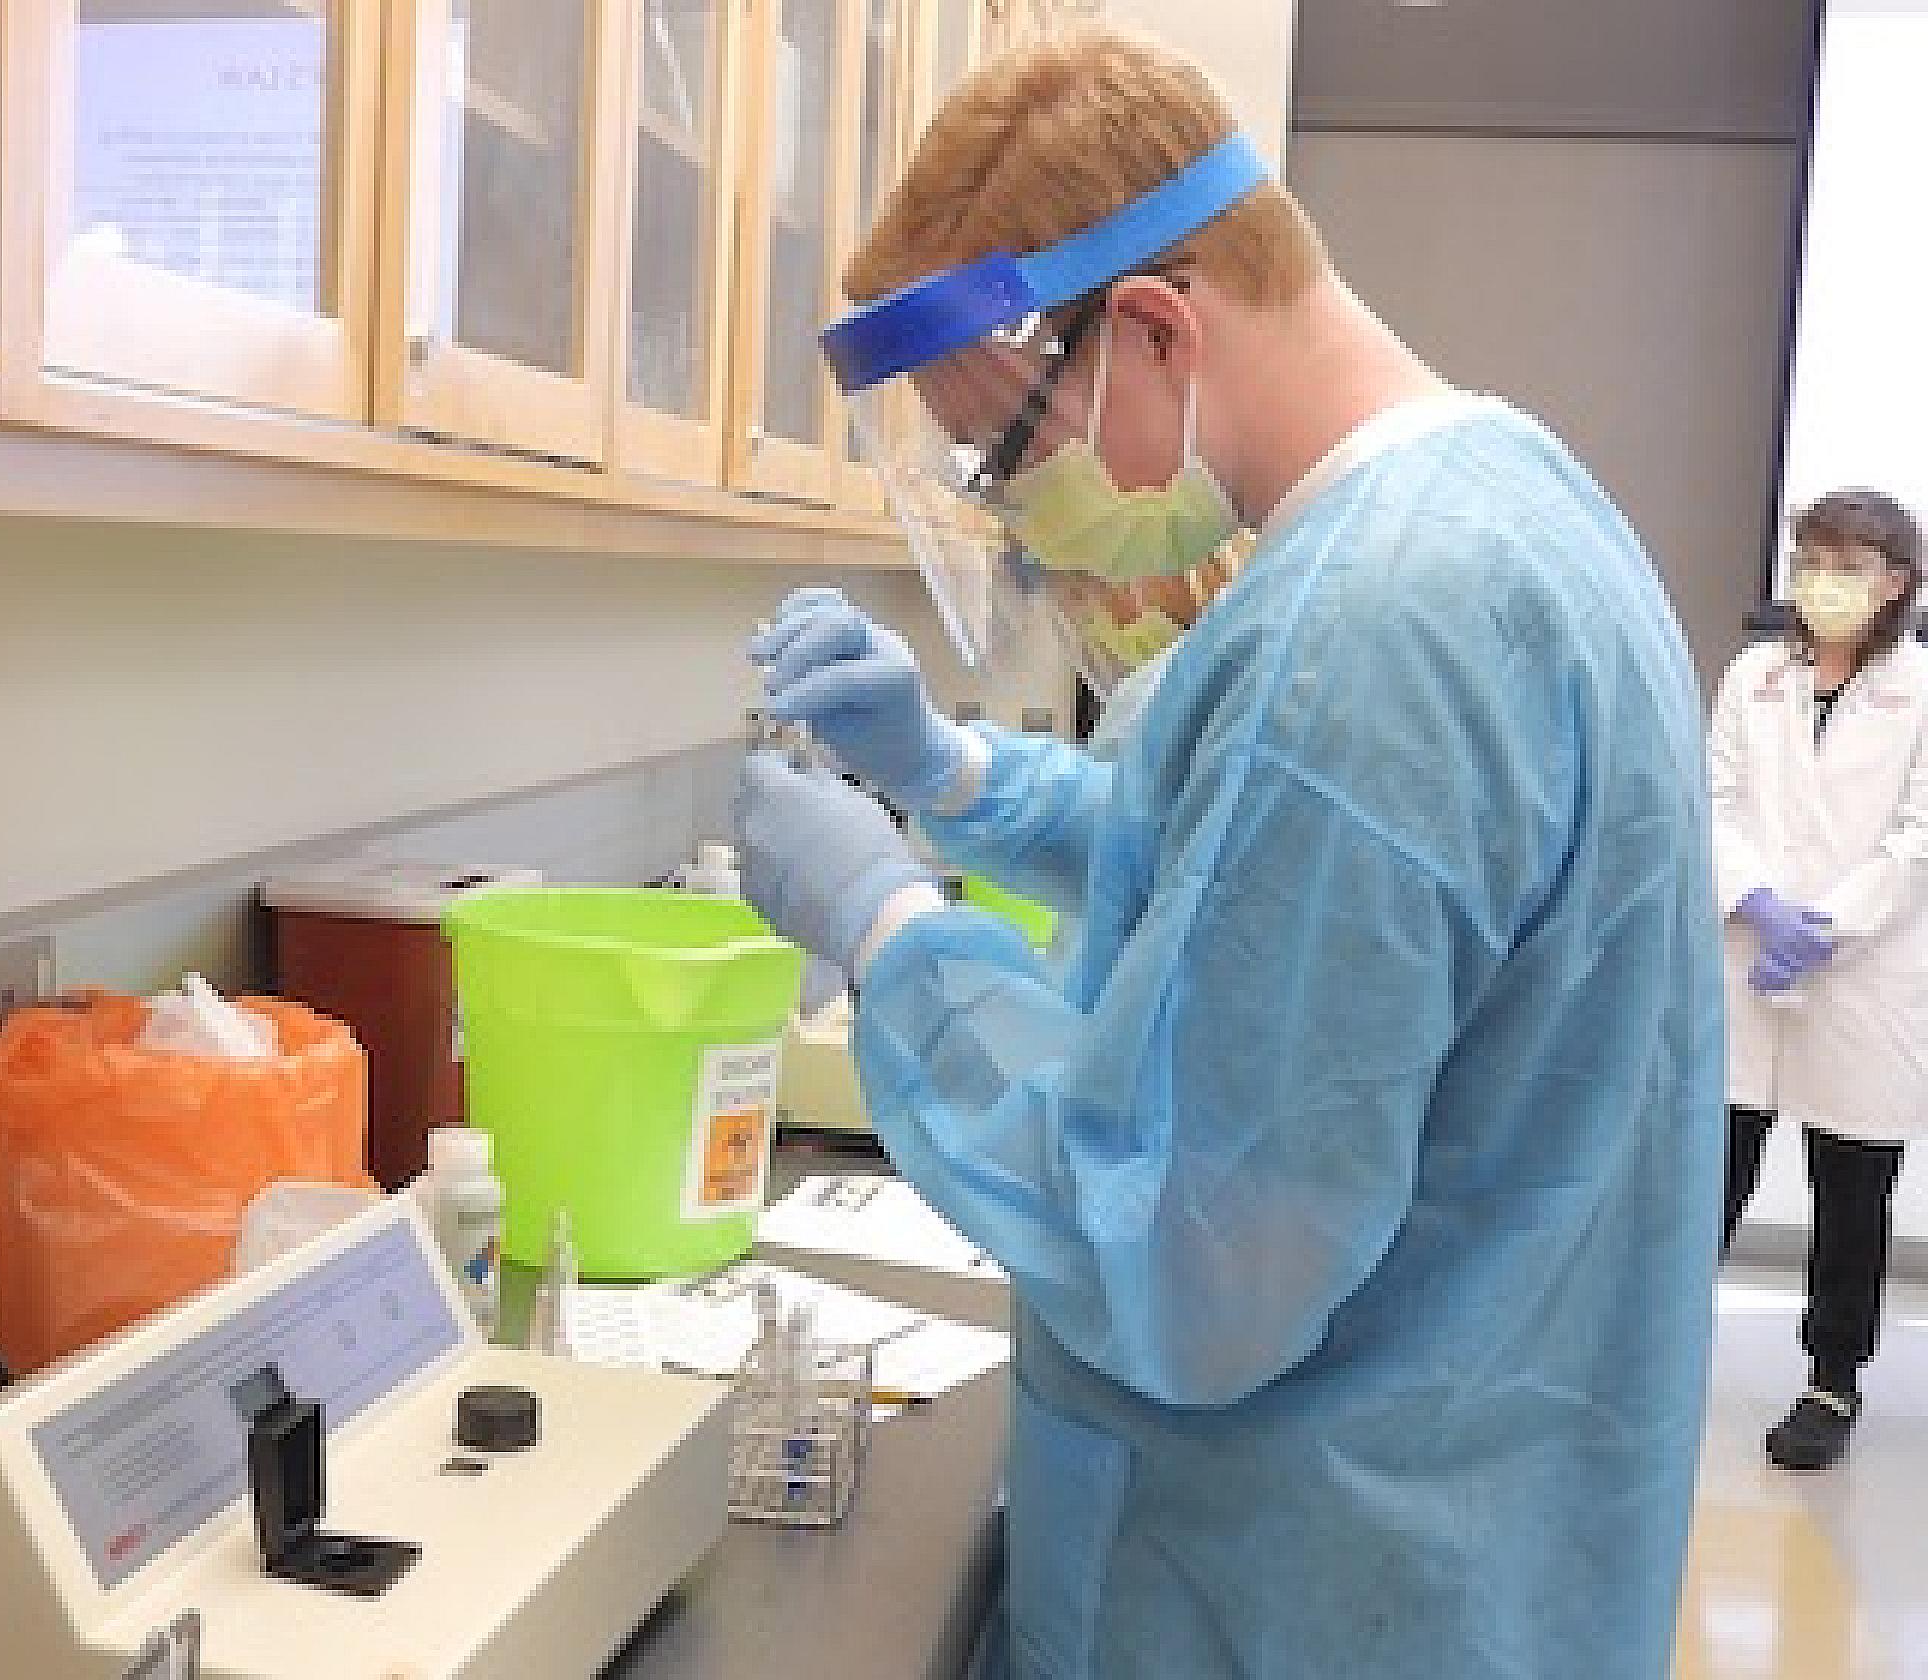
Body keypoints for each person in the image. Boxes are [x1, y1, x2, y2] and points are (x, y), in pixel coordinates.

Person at [731, 29, 1724, 1680]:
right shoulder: (1498, 518)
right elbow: (1245, 875)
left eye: (1003, 453)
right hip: (1473, 1541)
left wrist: (887, 923)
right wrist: (955, 774)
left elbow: (1194, 1260)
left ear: (1152, 327)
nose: (1009, 515)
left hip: (1317, 1585)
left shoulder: (1374, 629)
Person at [1714, 488, 1928, 1472]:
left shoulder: (1920, 690)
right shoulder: (1754, 674)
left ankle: (1831, 1376)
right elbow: (1710, 799)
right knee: (1711, 1172)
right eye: (1810, 560)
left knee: (1853, 1191)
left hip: (1868, 975)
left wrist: (1830, 927)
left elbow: (1917, 841)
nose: (1820, 583)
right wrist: (1758, 904)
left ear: (1894, 584)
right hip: (1748, 953)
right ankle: (1662, 1355)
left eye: (1846, 567)